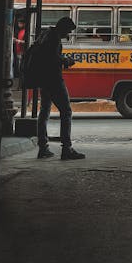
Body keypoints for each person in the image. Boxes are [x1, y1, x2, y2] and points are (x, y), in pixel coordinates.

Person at [36, 16, 85, 160]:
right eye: (68, 31)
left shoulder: (46, 34)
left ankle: (43, 147)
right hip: (54, 80)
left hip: (44, 79)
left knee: (44, 111)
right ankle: (66, 148)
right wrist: (66, 61)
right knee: (66, 111)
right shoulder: (54, 39)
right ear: (63, 28)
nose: (68, 34)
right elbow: (52, 58)